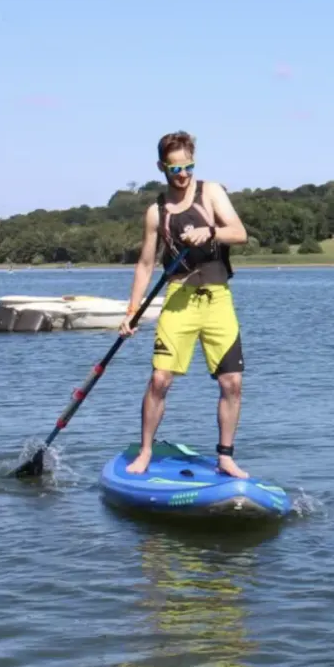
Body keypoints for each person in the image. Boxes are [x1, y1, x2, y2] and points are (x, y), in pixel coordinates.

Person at [120, 131, 250, 479]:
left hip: (217, 300)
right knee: (160, 380)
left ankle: (225, 456)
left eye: (188, 166)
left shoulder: (211, 193)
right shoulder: (156, 212)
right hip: (178, 300)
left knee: (231, 383)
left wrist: (211, 231)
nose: (183, 174)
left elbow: (239, 232)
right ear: (161, 166)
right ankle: (146, 451)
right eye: (175, 168)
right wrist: (132, 312)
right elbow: (146, 265)